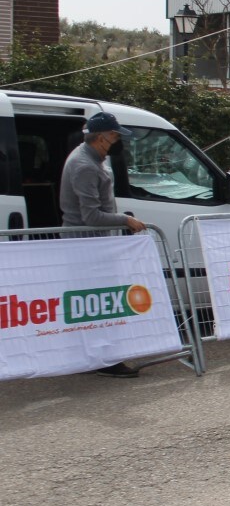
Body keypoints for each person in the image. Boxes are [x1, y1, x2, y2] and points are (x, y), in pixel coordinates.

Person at [59, 111, 147, 378]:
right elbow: (91, 216)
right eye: (115, 136)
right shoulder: (84, 165)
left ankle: (91, 356)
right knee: (99, 302)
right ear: (103, 137)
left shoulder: (91, 156)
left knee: (93, 303)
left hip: (93, 245)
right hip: (87, 246)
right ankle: (104, 360)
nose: (117, 141)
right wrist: (125, 220)